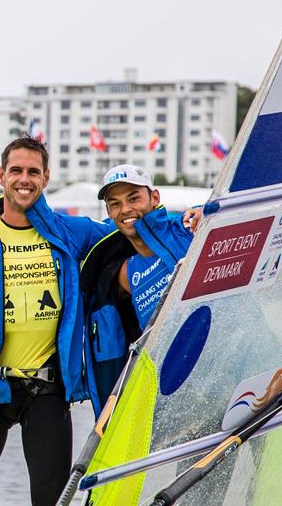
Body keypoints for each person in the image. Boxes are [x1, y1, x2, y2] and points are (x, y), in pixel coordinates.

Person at [0, 136, 113, 505]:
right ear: (1, 175)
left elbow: (126, 232)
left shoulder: (65, 232)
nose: (23, 179)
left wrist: (189, 220)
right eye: (16, 170)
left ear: (45, 178)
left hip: (46, 389)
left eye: (32, 172)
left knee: (52, 500)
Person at [80, 164, 201, 416]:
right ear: (109, 212)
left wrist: (209, 213)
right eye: (115, 203)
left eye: (133, 198)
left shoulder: (190, 229)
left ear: (154, 197)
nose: (125, 209)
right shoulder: (124, 274)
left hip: (220, 369)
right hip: (174, 389)